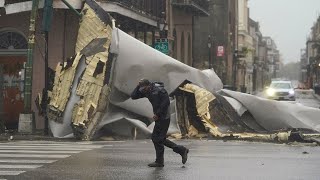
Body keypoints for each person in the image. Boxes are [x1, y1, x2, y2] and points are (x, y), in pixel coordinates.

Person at [131, 79, 189, 167]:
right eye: (142, 90)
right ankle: (172, 154)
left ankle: (175, 153)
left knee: (158, 138)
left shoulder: (160, 90)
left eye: (144, 89)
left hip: (164, 116)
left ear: (148, 85)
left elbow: (165, 103)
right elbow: (133, 96)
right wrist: (138, 86)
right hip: (159, 117)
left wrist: (158, 114)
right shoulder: (147, 91)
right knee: (157, 138)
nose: (143, 91)